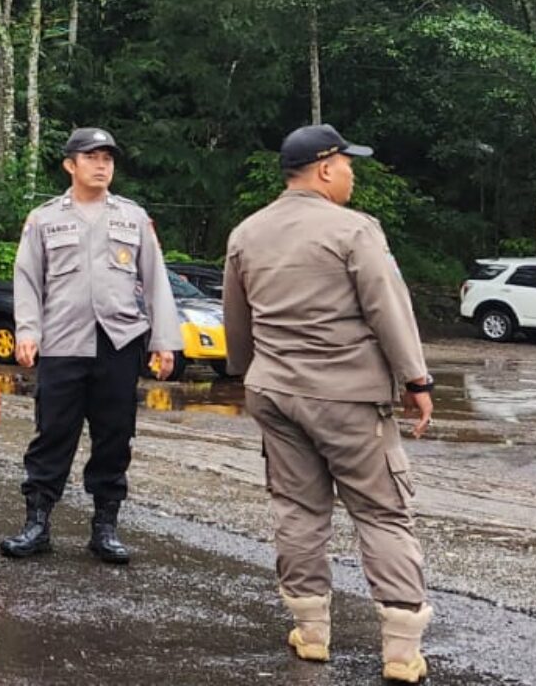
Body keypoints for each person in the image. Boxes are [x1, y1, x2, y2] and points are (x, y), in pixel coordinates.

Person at [221, 125, 436, 683]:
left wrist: (250, 373)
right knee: (382, 511)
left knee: (298, 509)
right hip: (347, 396)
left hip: (275, 391)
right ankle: (401, 650)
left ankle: (312, 632)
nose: (352, 173)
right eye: (346, 164)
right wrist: (416, 378)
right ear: (322, 169)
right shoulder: (354, 230)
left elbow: (236, 322)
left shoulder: (247, 232)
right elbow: (389, 308)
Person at [0, 127, 181, 565]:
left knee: (114, 437)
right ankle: (37, 524)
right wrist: (27, 331)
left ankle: (105, 527)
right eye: (92, 157)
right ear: (70, 164)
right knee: (52, 434)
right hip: (62, 341)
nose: (102, 166)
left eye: (108, 159)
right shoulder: (45, 218)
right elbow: (26, 278)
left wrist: (164, 341)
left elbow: (156, 280)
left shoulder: (132, 217)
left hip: (118, 342)